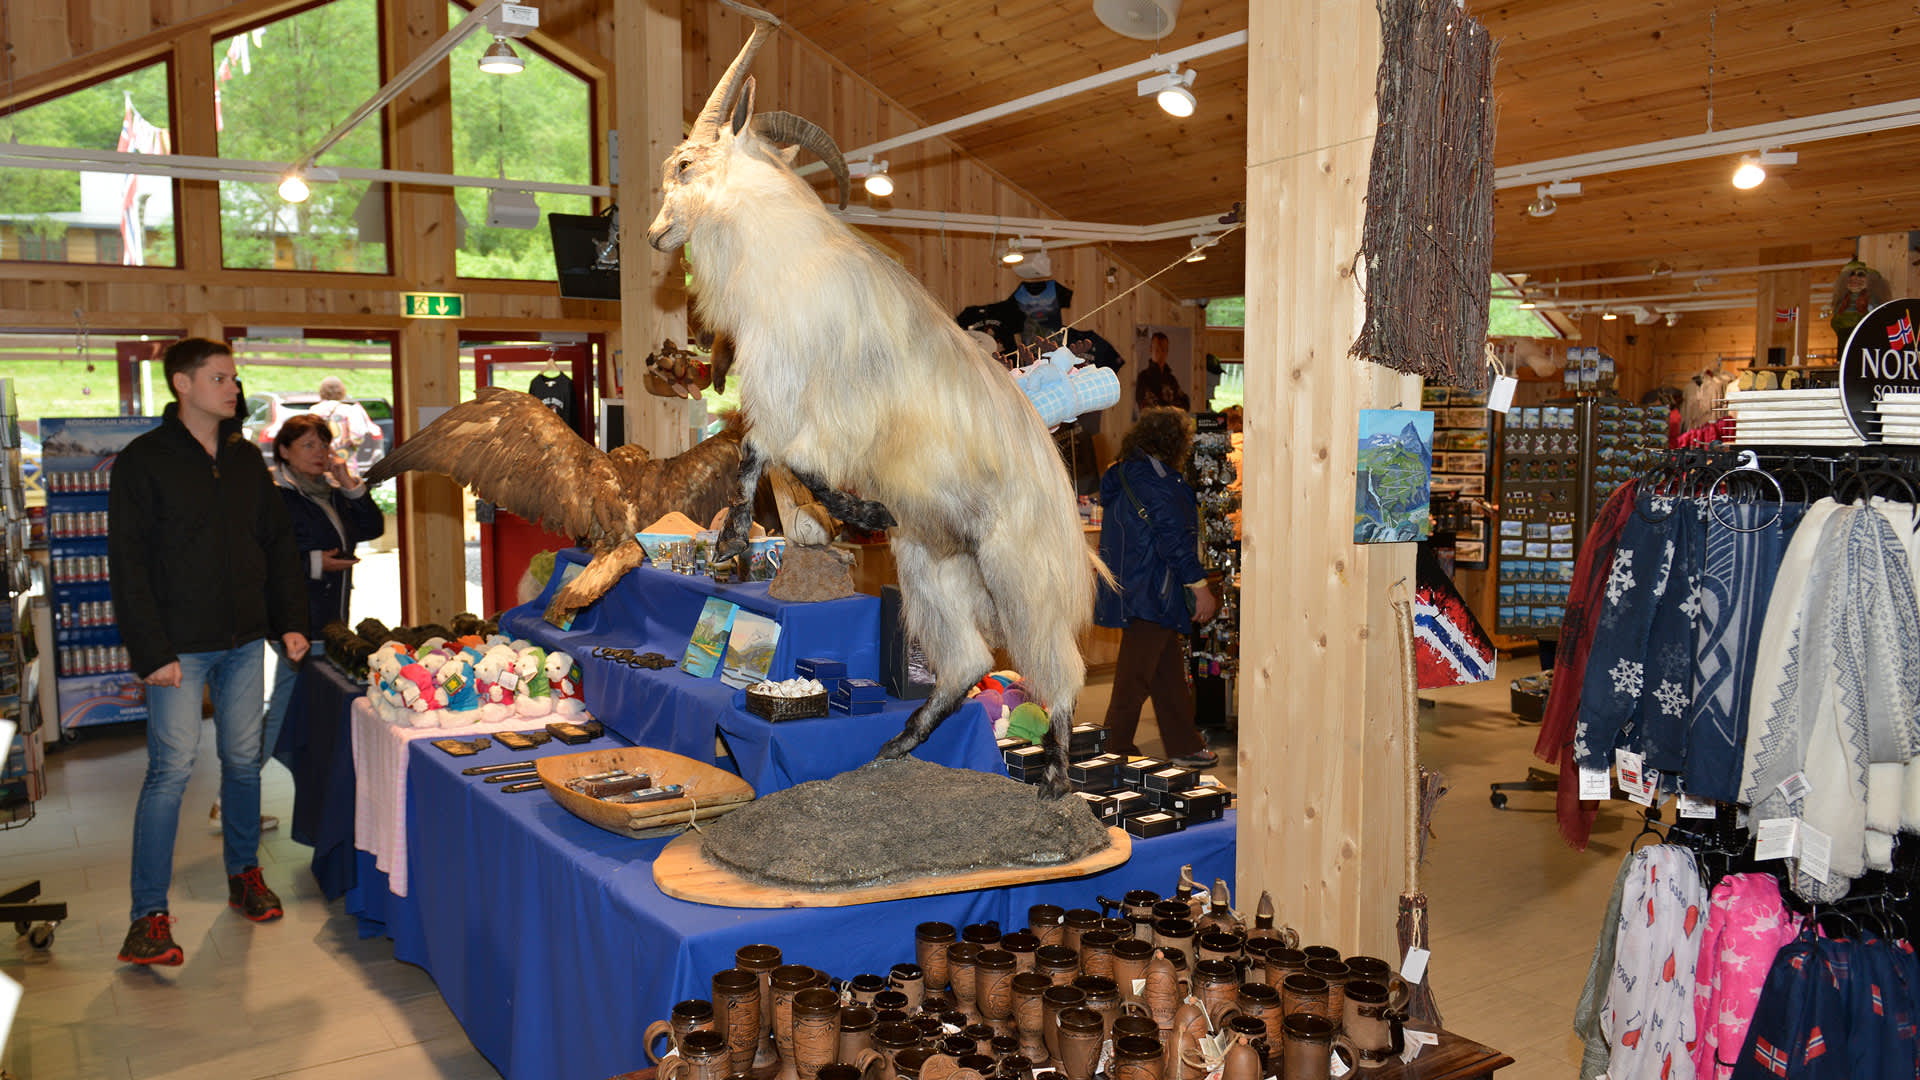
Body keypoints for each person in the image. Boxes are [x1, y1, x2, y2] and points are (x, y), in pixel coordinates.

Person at [109, 337, 309, 966]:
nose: (233, 387)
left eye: (234, 377)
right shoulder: (144, 462)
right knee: (170, 774)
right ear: (183, 385)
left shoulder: (247, 460)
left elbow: (276, 544)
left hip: (245, 640)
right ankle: (148, 917)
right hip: (176, 649)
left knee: (243, 762)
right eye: (220, 378)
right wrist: (151, 650)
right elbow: (129, 564)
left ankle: (243, 876)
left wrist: (290, 621)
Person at [259, 413, 383, 786]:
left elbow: (372, 528)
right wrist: (317, 563)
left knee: (309, 709)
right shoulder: (275, 494)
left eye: (324, 444)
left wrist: (350, 484)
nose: (320, 452)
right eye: (308, 445)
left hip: (331, 619)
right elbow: (266, 557)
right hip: (296, 620)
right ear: (284, 451)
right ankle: (236, 795)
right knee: (284, 708)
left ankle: (312, 792)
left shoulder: (329, 488)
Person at [1093, 407, 1219, 767]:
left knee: (1165, 675)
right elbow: (1173, 540)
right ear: (1173, 441)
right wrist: (1199, 586)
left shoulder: (1124, 473)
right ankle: (1113, 750)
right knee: (1134, 677)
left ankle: (1183, 744)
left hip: (1137, 588)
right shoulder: (1157, 480)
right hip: (1154, 590)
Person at [307, 375, 376, 461]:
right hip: (345, 460)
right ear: (342, 391)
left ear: (322, 391)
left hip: (321, 460)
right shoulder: (350, 410)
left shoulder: (314, 410)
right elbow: (357, 436)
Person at [1133, 331, 1184, 412]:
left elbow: (1184, 403)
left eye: (1163, 350)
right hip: (1152, 423)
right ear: (1151, 350)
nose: (1160, 354)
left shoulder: (1171, 379)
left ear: (1167, 352)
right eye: (1157, 350)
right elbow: (1144, 406)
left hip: (1171, 422)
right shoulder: (1143, 377)